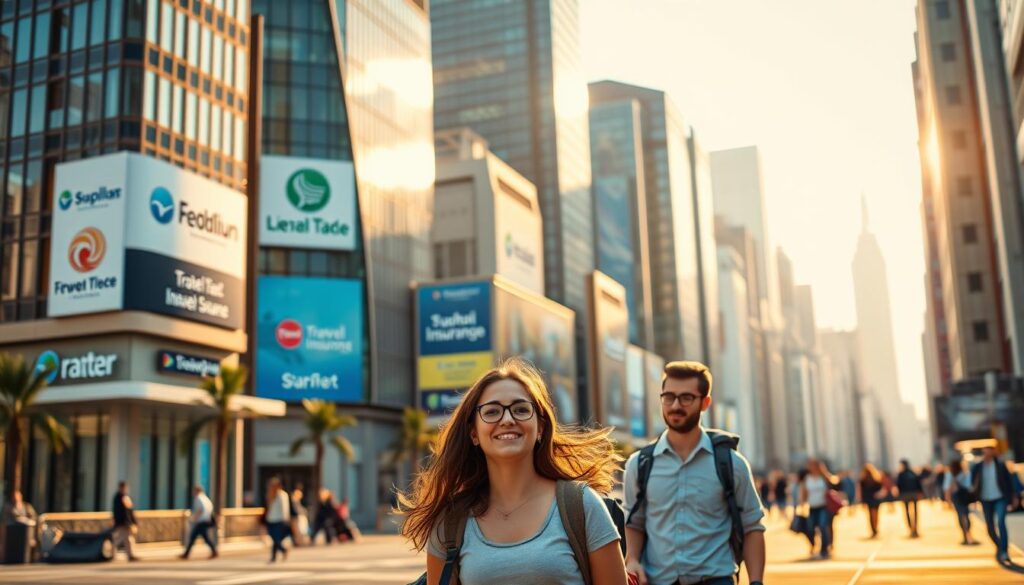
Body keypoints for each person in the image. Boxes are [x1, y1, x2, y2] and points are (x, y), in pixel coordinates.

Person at [400, 358, 628, 585]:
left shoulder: (582, 505)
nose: (507, 420)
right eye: (491, 412)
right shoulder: (449, 522)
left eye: (520, 410)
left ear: (540, 427)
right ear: (474, 433)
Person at [623, 361, 766, 585]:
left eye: (686, 398)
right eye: (668, 397)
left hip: (715, 579)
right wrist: (632, 559)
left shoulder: (731, 464)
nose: (675, 405)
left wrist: (756, 582)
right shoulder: (639, 464)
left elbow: (752, 527)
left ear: (705, 402)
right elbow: (634, 522)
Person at [971, 446, 1020, 563]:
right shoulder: (977, 467)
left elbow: (1009, 481)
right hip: (985, 500)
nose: (987, 454)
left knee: (1001, 522)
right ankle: (1000, 546)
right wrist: (974, 499)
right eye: (985, 452)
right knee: (990, 528)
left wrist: (1014, 497)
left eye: (989, 452)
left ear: (993, 453)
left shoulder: (1000, 465)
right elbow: (973, 484)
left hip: (1000, 498)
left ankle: (1004, 551)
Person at [799, 458, 837, 559]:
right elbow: (804, 492)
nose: (812, 467)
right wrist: (802, 504)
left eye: (814, 465)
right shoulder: (807, 478)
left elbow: (834, 483)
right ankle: (813, 544)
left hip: (823, 506)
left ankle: (824, 549)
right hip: (812, 506)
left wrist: (825, 473)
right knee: (810, 528)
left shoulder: (823, 477)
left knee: (823, 526)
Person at [943, 459, 978, 546]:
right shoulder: (964, 473)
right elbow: (969, 487)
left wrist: (948, 500)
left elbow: (947, 488)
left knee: (960, 515)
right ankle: (969, 534)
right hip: (964, 496)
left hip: (956, 497)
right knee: (966, 515)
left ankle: (965, 536)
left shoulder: (949, 475)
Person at [180, 485, 218, 559]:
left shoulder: (198, 498)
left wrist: (194, 518)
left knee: (194, 537)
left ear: (196, 491)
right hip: (206, 520)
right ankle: (214, 551)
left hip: (201, 521)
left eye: (193, 491)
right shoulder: (206, 498)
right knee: (202, 537)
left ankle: (186, 554)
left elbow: (200, 510)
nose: (192, 493)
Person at [111, 481, 139, 562]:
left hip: (127, 523)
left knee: (128, 540)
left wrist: (134, 522)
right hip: (121, 523)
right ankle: (113, 554)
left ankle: (130, 555)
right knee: (119, 540)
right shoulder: (118, 498)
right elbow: (118, 512)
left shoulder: (126, 497)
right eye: (123, 487)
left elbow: (130, 511)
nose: (124, 489)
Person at [895, 459, 923, 538]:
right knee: (915, 511)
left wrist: (899, 494)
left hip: (905, 494)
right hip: (913, 494)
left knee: (907, 512)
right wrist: (920, 492)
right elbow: (919, 483)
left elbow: (898, 485)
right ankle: (915, 529)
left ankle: (911, 529)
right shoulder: (913, 473)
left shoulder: (901, 474)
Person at [265, 477, 291, 563]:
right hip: (270, 519)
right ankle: (281, 552)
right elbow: (268, 508)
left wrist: (285, 519)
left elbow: (285, 508)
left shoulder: (282, 495)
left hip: (279, 520)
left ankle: (275, 556)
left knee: (276, 539)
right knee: (274, 538)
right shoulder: (270, 494)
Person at [856, 463, 884, 539]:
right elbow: (881, 489)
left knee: (871, 515)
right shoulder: (874, 479)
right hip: (874, 499)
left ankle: (874, 530)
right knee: (875, 515)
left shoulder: (864, 480)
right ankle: (875, 529)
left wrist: (860, 500)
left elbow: (859, 492)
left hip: (869, 499)